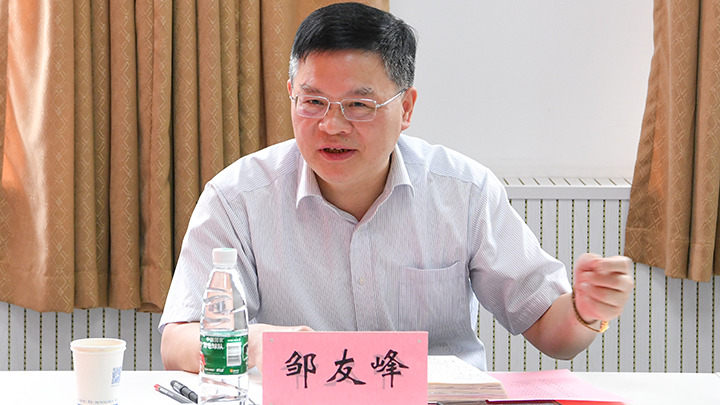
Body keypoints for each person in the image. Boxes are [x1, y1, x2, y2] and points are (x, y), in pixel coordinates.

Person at [159, 2, 633, 373]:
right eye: (313, 101)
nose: (331, 125)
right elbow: (177, 341)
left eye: (358, 105)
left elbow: (551, 332)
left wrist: (586, 311)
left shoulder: (463, 191)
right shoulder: (237, 197)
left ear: (406, 109)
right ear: (291, 95)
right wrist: (252, 343)